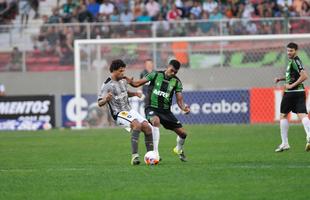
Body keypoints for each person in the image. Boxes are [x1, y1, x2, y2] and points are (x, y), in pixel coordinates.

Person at [126, 59, 190, 161]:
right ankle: (155, 153)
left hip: (166, 111)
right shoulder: (155, 75)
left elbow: (179, 99)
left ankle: (178, 148)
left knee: (183, 134)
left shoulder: (176, 82)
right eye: (172, 70)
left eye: (175, 72)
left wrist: (184, 108)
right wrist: (131, 82)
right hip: (151, 107)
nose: (173, 73)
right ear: (168, 66)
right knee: (155, 121)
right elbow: (138, 83)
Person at [97, 59, 154, 165]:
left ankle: (151, 156)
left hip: (129, 110)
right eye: (120, 71)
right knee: (136, 125)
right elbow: (99, 102)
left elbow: (125, 92)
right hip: (118, 113)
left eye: (123, 71)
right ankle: (135, 157)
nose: (123, 73)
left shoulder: (123, 80)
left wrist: (135, 94)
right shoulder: (107, 85)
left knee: (147, 127)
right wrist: (106, 99)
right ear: (113, 71)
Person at [274, 42, 310, 152]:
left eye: (291, 51)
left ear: (296, 51)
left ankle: (285, 143)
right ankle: (309, 135)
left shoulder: (295, 61)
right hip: (300, 92)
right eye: (288, 50)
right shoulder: (295, 61)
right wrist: (281, 79)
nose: (289, 53)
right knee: (302, 115)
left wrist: (290, 85)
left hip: (291, 93)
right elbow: (294, 76)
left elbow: (304, 76)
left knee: (283, 115)